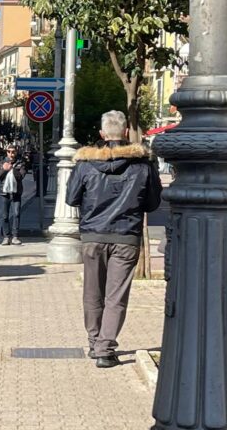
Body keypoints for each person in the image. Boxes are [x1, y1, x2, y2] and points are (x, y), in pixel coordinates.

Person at [66, 110, 162, 369]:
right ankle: (105, 350)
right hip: (126, 237)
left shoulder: (85, 164)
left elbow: (71, 199)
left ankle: (94, 341)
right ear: (127, 133)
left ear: (101, 134)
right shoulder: (144, 164)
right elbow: (153, 203)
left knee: (92, 292)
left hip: (92, 235)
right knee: (116, 295)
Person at [0, 144, 26, 245]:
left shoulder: (20, 163)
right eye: (9, 151)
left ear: (16, 152)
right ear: (6, 152)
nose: (11, 154)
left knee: (16, 214)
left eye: (13, 152)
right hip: (4, 192)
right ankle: (6, 237)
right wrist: (4, 169)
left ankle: (15, 236)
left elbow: (21, 176)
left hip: (16, 192)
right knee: (4, 216)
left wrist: (12, 169)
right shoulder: (2, 162)